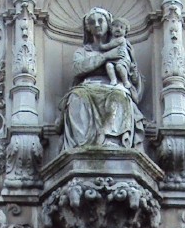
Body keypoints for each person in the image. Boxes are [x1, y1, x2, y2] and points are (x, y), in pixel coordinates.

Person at [61, 8, 143, 151]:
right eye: (92, 22)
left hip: (114, 86)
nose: (97, 25)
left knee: (119, 97)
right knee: (76, 98)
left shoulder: (121, 46)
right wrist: (106, 56)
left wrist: (132, 72)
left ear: (108, 24)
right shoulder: (82, 51)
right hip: (87, 86)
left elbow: (131, 71)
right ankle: (81, 145)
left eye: (101, 21)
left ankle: (111, 140)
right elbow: (78, 69)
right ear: (88, 28)